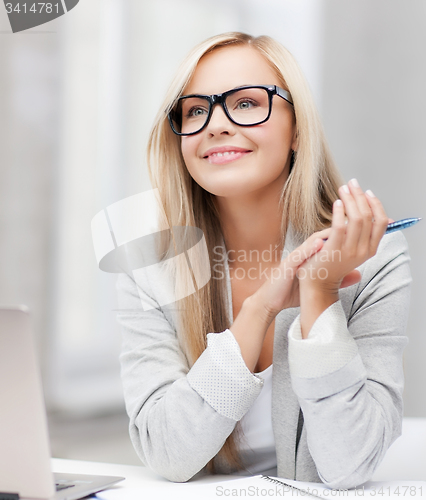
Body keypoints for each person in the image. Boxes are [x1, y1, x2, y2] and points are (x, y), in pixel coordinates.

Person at [116, 32, 411, 489]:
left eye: (248, 103)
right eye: (195, 110)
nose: (215, 124)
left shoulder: (375, 259)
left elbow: (350, 463)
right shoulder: (151, 265)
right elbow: (168, 454)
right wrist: (257, 313)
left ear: (297, 130)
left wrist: (321, 293)